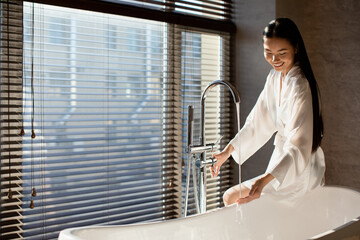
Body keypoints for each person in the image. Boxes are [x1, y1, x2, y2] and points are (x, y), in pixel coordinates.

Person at [210, 18, 325, 206]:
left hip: (299, 167)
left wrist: (265, 179)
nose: (274, 60)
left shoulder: (300, 85)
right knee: (231, 198)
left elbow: (298, 145)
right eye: (268, 53)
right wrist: (227, 151)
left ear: (296, 48)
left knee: (233, 198)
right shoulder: (274, 77)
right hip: (281, 164)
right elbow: (257, 122)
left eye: (281, 53)